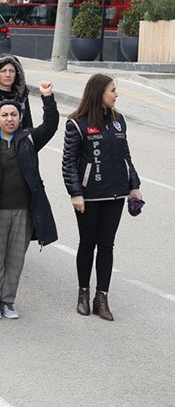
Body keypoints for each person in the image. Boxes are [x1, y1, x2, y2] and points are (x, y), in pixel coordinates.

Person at [62, 74, 142, 321]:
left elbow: (125, 156)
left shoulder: (119, 122)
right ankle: (83, 294)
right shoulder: (77, 123)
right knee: (88, 243)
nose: (116, 95)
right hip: (88, 196)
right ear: (99, 93)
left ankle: (102, 298)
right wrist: (76, 192)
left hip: (115, 194)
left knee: (107, 245)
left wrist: (134, 186)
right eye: (112, 90)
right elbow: (69, 162)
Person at [0, 82, 58, 320]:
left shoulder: (29, 140)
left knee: (16, 258)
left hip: (24, 210)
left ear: (20, 117)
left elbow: (51, 125)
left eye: (14, 114)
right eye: (5, 115)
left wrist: (48, 98)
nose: (10, 119)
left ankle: (8, 301)